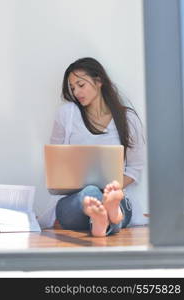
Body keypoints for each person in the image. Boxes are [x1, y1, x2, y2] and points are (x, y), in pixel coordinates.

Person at [45, 57, 147, 237]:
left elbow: (135, 169)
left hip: (117, 197)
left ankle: (103, 220)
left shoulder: (127, 119)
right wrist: (91, 191)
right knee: (90, 193)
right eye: (72, 88)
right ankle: (109, 216)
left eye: (80, 85)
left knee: (103, 197)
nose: (76, 91)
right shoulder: (66, 114)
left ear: (99, 81)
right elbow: (55, 163)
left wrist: (110, 190)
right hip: (75, 201)